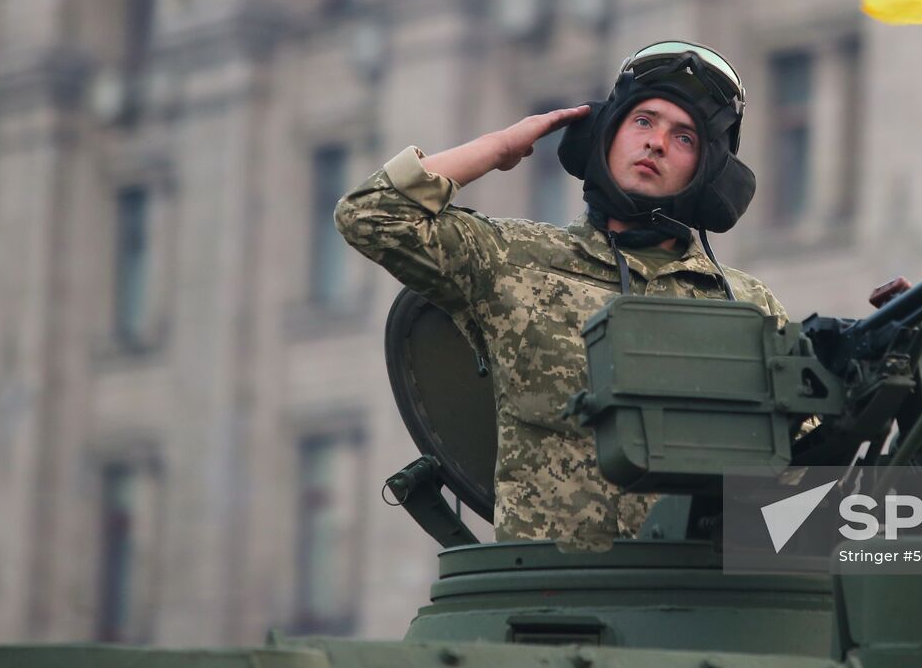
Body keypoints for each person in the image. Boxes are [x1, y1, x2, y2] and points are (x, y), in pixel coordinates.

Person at [334, 41, 787, 549]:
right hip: (554, 599)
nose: (656, 143)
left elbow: (811, 471)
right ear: (603, 133)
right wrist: (500, 147)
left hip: (699, 603)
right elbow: (369, 214)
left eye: (684, 138)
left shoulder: (746, 305)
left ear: (710, 172)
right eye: (643, 122)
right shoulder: (514, 260)